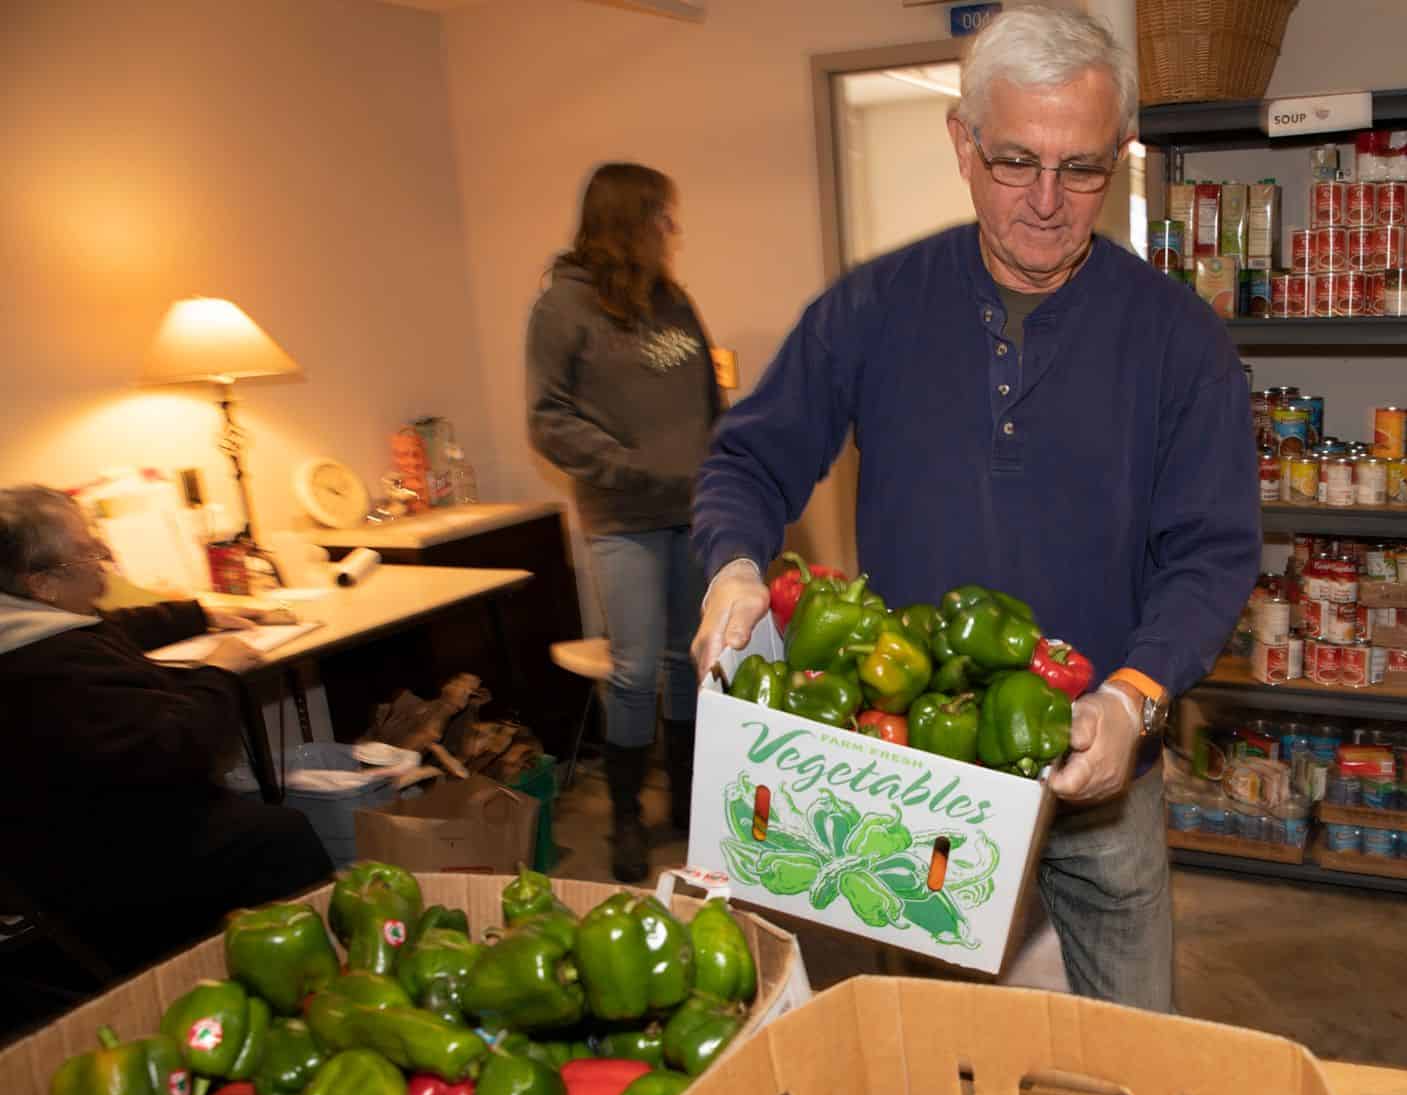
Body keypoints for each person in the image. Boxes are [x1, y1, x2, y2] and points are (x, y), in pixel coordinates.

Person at [691, 7, 1259, 1011]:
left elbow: (1210, 551)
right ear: (961, 143)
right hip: (916, 768)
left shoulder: (1179, 340)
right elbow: (748, 459)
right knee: (936, 1050)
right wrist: (735, 561)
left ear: (1119, 159)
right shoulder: (869, 309)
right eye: (1013, 162)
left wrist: (1132, 695)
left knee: (1132, 1048)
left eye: (1080, 169)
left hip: (1100, 772)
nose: (1046, 201)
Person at [0, 485, 333, 973]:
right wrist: (218, 673)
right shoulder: (52, 668)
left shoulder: (26, 626)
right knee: (279, 834)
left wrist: (198, 614)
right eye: (87, 551)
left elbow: (109, 630)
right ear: (42, 583)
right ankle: (300, 975)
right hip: (101, 860)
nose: (105, 557)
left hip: (78, 824)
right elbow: (180, 747)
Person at [527, 162, 723, 883]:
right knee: (637, 669)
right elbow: (548, 421)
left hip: (691, 512)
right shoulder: (564, 309)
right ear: (626, 220)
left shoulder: (675, 303)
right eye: (660, 216)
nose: (670, 231)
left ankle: (683, 802)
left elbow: (709, 404)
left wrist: (726, 471)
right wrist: (630, 465)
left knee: (684, 663)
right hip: (624, 518)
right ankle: (625, 820)